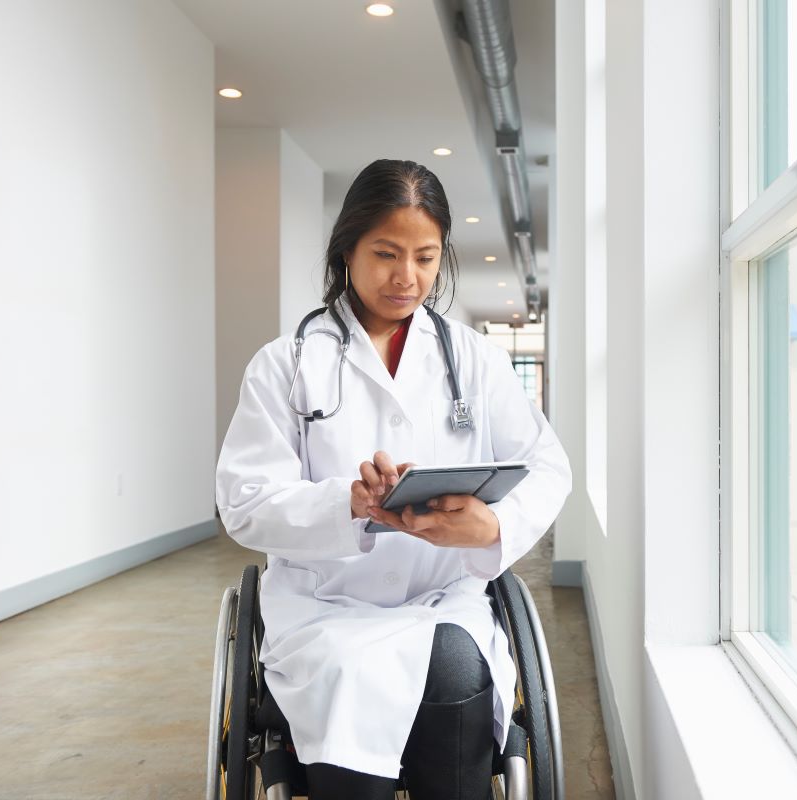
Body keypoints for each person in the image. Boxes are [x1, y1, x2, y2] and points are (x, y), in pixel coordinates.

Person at [215, 158, 571, 800]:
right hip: (325, 608)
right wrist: (346, 502)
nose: (407, 278)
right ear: (346, 249)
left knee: (457, 672)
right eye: (385, 253)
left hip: (441, 600)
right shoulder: (285, 365)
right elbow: (243, 503)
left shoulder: (475, 363)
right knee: (348, 675)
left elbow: (548, 466)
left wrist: (494, 525)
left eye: (426, 257)